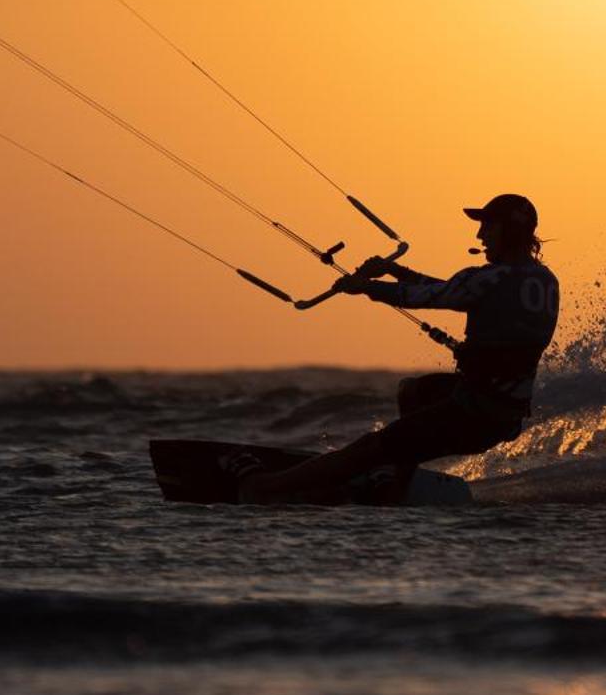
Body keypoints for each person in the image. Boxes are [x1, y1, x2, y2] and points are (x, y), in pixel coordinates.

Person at [237, 193, 559, 504]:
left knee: (371, 446)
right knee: (413, 393)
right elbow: (453, 290)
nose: (480, 234)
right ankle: (397, 486)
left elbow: (432, 296)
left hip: (474, 415)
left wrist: (366, 288)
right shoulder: (545, 280)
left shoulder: (492, 277)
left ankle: (265, 489)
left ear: (510, 231)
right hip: (504, 412)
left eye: (489, 226)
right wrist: (395, 271)